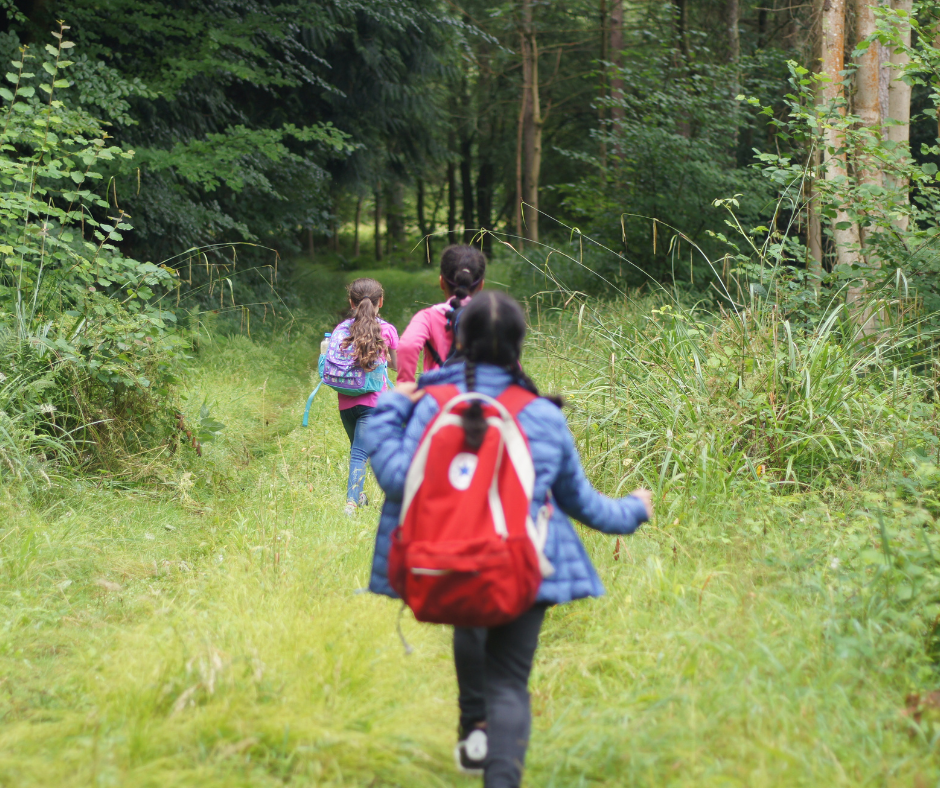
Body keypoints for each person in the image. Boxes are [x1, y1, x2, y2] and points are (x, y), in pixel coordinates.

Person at [363, 291, 653, 788]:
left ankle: (471, 730)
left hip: (445, 561)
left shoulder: (428, 404)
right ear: (519, 347)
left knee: (469, 622)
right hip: (523, 565)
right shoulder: (540, 413)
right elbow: (582, 503)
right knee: (510, 686)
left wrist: (392, 406)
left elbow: (394, 478)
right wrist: (635, 509)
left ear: (456, 340)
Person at [334, 277, 399, 516]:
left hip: (345, 401)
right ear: (380, 302)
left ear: (351, 302)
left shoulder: (342, 329)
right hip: (372, 402)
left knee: (357, 449)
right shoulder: (387, 330)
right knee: (361, 452)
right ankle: (351, 504)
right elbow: (398, 367)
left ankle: (359, 496)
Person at [396, 244, 486, 383]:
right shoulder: (492, 316)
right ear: (481, 285)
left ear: (441, 282)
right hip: (481, 397)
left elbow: (408, 345)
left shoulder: (427, 317)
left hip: (438, 399)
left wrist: (405, 382)